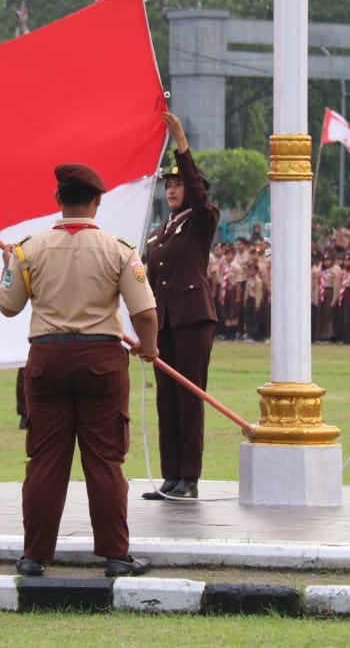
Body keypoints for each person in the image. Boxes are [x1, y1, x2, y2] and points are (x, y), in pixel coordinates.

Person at [0, 163, 158, 578]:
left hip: (47, 359)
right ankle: (115, 554)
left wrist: (8, 265)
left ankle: (34, 555)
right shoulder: (119, 249)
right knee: (105, 460)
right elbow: (145, 312)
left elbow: (9, 305)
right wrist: (149, 349)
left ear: (58, 200)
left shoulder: (27, 248)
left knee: (45, 460)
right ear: (97, 201)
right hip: (100, 361)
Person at [141, 112, 219, 501]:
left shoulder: (202, 219)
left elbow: (199, 193)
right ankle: (171, 475)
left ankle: (190, 476)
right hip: (165, 322)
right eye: (168, 185)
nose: (172, 190)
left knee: (189, 398)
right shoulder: (159, 233)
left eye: (177, 184)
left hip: (192, 319)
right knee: (166, 399)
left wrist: (182, 146)